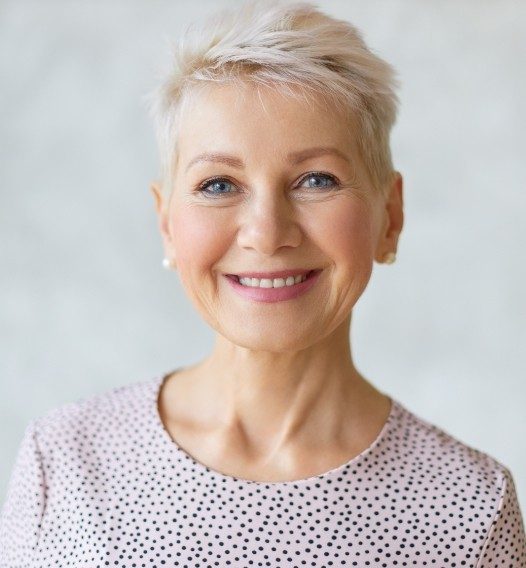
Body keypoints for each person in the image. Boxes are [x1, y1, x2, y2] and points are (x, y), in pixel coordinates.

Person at [1, 0, 525, 565]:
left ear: (390, 216)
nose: (267, 233)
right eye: (219, 185)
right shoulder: (65, 460)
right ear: (166, 224)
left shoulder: (471, 506)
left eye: (316, 179)